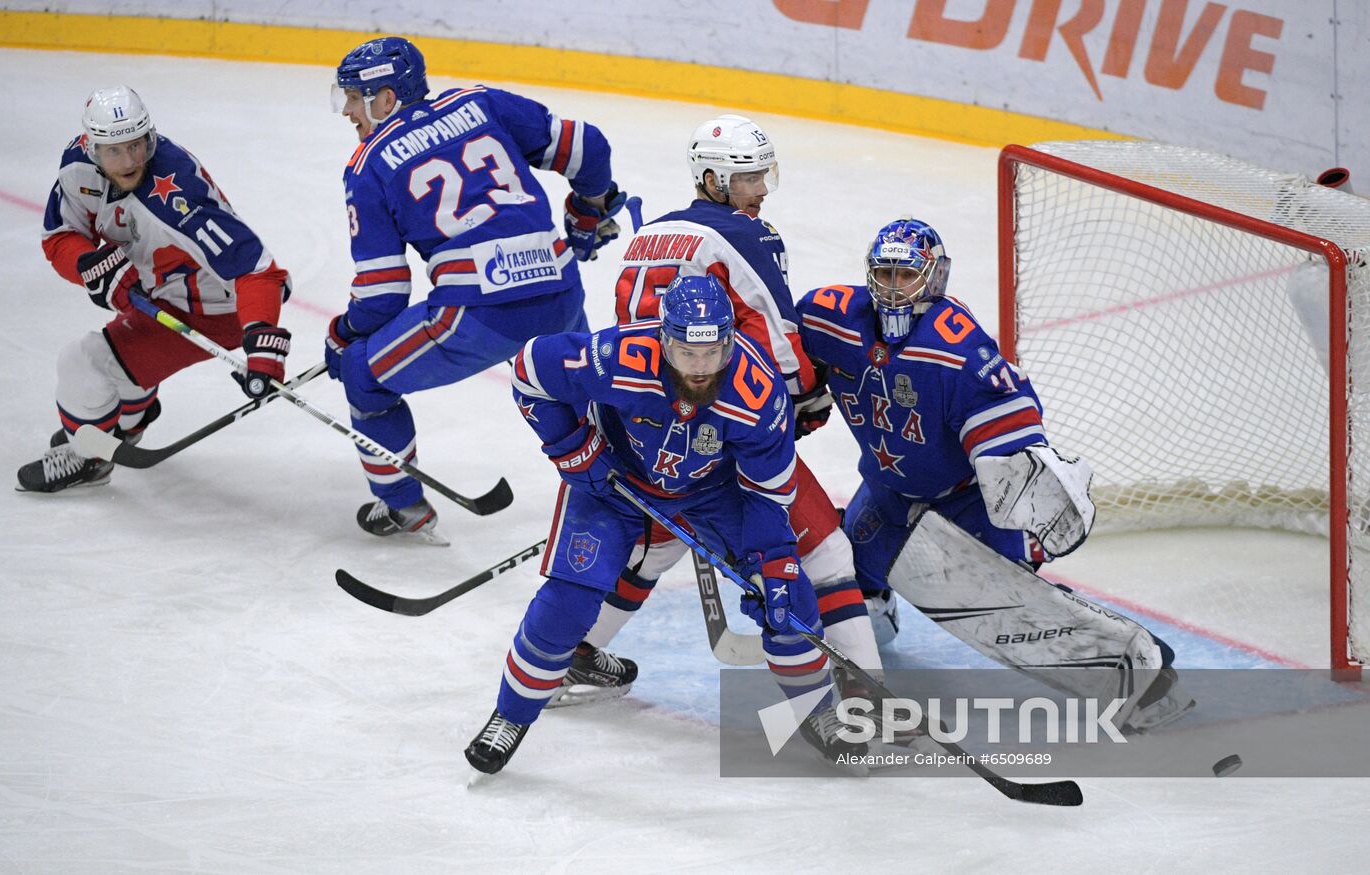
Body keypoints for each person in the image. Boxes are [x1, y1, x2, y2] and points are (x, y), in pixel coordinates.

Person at [795, 217, 1194, 731]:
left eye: (907, 275)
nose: (894, 288)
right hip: (886, 492)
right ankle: (875, 613)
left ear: (934, 278)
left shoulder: (958, 350)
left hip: (964, 504)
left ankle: (1146, 682)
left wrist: (1030, 496)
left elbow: (1010, 437)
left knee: (1015, 607)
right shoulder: (830, 318)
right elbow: (779, 350)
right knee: (841, 569)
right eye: (886, 274)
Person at [465, 276, 848, 774]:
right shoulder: (618, 357)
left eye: (713, 352)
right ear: (664, 339)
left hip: (712, 492)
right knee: (568, 601)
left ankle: (819, 713)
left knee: (788, 598)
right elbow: (529, 371)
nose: (701, 366)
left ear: (730, 340)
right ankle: (510, 716)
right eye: (688, 352)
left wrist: (772, 562)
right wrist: (571, 448)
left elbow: (767, 495)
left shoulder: (757, 395)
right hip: (613, 482)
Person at [578, 114, 880, 695]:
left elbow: (630, 336)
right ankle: (871, 691)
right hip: (720, 417)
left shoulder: (649, 237)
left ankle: (575, 647)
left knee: (662, 538)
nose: (761, 189)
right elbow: (776, 334)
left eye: (764, 175)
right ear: (714, 180)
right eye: (747, 178)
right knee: (825, 551)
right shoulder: (746, 236)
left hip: (639, 420)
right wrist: (804, 401)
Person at [324, 37, 628, 541]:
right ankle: (640, 489)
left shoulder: (368, 164)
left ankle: (403, 506)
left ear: (385, 99)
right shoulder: (479, 102)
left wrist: (343, 334)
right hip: (559, 292)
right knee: (586, 393)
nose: (348, 111)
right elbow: (588, 147)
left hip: (476, 315)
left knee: (364, 376)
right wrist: (588, 212)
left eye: (355, 97)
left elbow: (382, 293)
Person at [18, 86, 292, 493]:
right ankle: (126, 424)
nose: (130, 161)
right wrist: (86, 265)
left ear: (150, 137)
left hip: (217, 309)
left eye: (137, 145)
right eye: (115, 151)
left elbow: (258, 270)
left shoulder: (177, 196)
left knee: (82, 363)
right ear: (92, 148)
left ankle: (88, 458)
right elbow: (60, 235)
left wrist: (261, 339)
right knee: (121, 372)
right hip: (163, 291)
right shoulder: (76, 167)